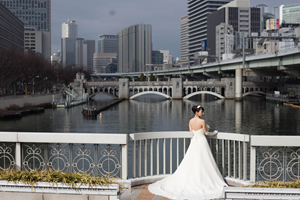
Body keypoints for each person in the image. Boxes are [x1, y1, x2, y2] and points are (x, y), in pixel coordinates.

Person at [148, 105, 227, 200]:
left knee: (192, 161)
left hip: (194, 142)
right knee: (204, 161)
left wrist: (198, 132)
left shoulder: (190, 121)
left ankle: (193, 179)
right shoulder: (202, 121)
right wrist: (214, 133)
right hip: (201, 142)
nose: (203, 113)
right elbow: (206, 133)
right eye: (202, 111)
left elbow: (191, 133)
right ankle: (202, 179)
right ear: (197, 112)